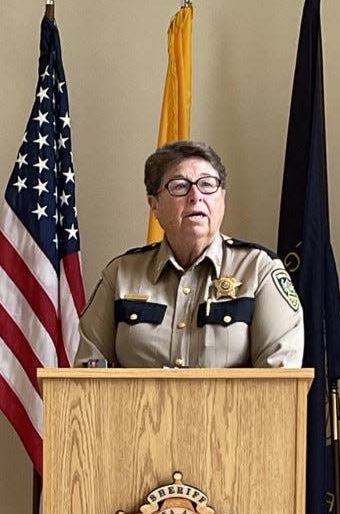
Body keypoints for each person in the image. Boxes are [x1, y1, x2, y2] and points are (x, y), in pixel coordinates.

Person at [75, 140, 304, 369]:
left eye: (207, 184)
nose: (196, 196)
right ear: (154, 204)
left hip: (231, 407)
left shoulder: (259, 269)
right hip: (136, 407)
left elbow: (279, 382)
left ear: (222, 198)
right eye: (180, 186)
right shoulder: (121, 274)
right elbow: (86, 378)